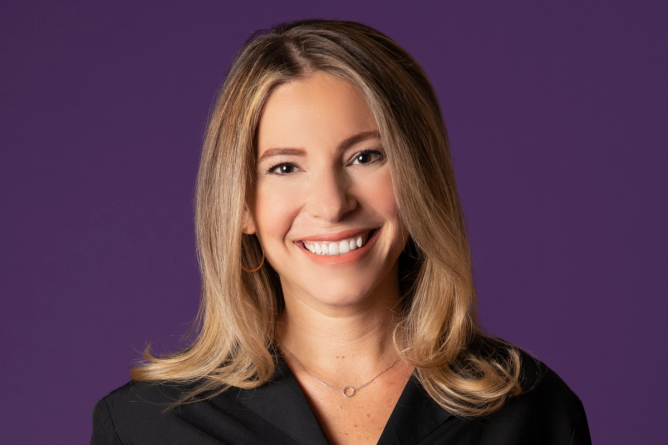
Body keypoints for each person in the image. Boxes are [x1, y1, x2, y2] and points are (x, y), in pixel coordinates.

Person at [91, 19, 591, 445]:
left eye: (365, 157)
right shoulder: (143, 427)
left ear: (421, 180)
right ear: (241, 205)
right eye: (285, 167)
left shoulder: (530, 412)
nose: (332, 205)